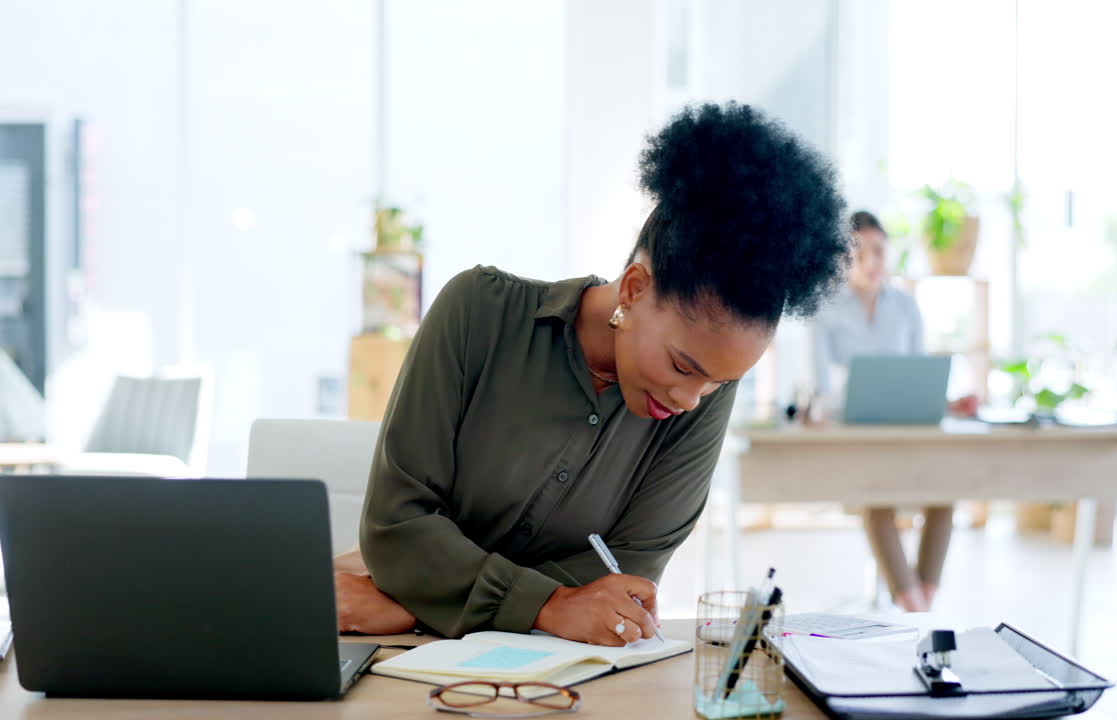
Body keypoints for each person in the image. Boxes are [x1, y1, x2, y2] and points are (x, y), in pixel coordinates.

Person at [334, 102, 850, 646]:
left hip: (492, 650)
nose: (691, 400)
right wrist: (553, 605)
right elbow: (398, 527)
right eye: (683, 366)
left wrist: (421, 601)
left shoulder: (700, 393)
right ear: (633, 288)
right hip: (378, 641)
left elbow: (625, 577)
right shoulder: (477, 314)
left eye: (718, 383)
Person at [811, 210, 974, 612]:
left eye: (878, 251)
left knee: (946, 493)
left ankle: (923, 595)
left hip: (909, 435)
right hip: (856, 438)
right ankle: (914, 606)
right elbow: (820, 390)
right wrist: (821, 409)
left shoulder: (906, 307)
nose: (870, 261)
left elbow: (919, 375)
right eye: (858, 252)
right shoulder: (825, 308)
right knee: (877, 497)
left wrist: (949, 403)